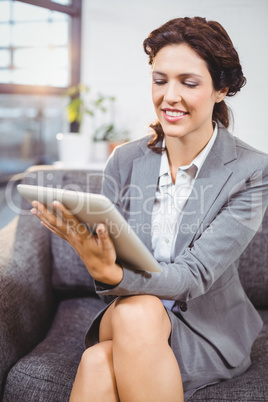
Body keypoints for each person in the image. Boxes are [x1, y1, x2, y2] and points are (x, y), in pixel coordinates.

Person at [31, 16, 268, 402]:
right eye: (160, 80)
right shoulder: (124, 160)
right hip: (128, 314)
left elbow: (194, 275)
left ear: (221, 89)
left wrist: (111, 274)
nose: (169, 96)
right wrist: (101, 265)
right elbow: (111, 267)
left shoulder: (251, 171)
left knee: (98, 362)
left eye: (188, 83)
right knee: (136, 311)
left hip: (205, 328)